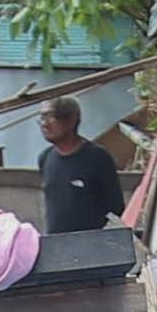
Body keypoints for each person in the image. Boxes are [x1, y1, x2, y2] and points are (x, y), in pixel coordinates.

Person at [33, 96, 136, 234]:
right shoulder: (45, 158)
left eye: (50, 117)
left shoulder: (97, 158)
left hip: (91, 246)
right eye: (42, 118)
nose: (44, 124)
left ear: (71, 120)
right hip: (57, 246)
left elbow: (115, 210)